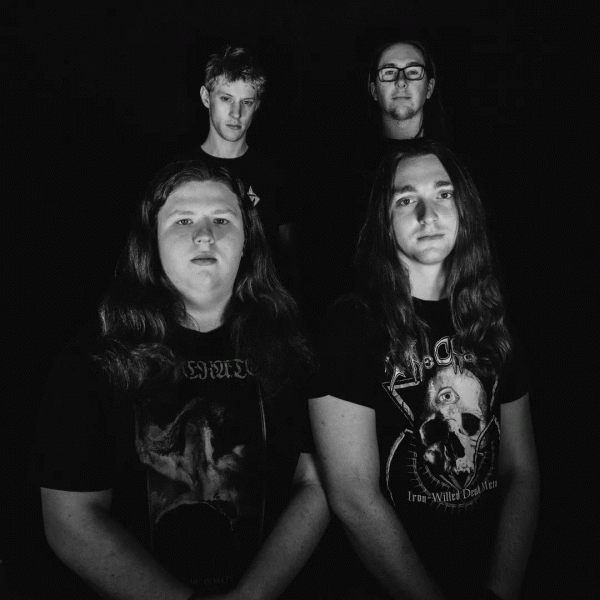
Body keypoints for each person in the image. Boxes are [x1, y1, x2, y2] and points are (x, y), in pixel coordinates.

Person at [33, 160, 329, 599]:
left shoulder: (294, 348)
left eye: (222, 219)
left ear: (247, 242)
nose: (204, 235)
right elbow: (69, 519)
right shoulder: (95, 357)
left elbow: (316, 483)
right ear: (152, 241)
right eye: (183, 220)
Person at [310, 139, 539, 600]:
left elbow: (521, 471)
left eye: (443, 194)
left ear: (464, 209)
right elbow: (353, 495)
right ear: (384, 221)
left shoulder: (493, 318)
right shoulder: (351, 324)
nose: (427, 214)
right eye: (405, 199)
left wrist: (500, 591)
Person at [188, 45, 299, 294]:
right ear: (206, 97)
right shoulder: (180, 174)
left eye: (246, 102)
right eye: (226, 99)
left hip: (262, 304)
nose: (236, 113)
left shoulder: (273, 174)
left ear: (256, 105)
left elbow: (287, 258)